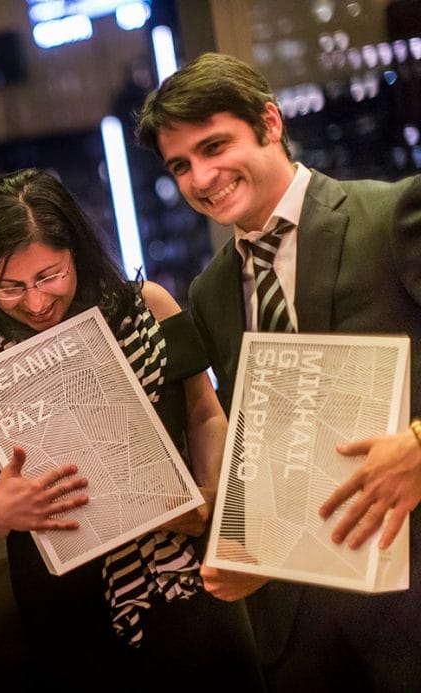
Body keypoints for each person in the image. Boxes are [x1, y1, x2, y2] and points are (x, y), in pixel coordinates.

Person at [136, 51, 421, 690]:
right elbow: (262, 444)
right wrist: (238, 540)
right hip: (296, 622)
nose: (202, 177)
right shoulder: (210, 293)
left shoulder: (392, 216)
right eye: (181, 165)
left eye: (215, 145)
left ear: (269, 121)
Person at [0, 167, 263, 688]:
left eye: (50, 276)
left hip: (181, 565)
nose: (36, 301)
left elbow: (205, 413)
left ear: (77, 254)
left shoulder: (147, 308)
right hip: (64, 594)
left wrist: (211, 503)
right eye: (10, 287)